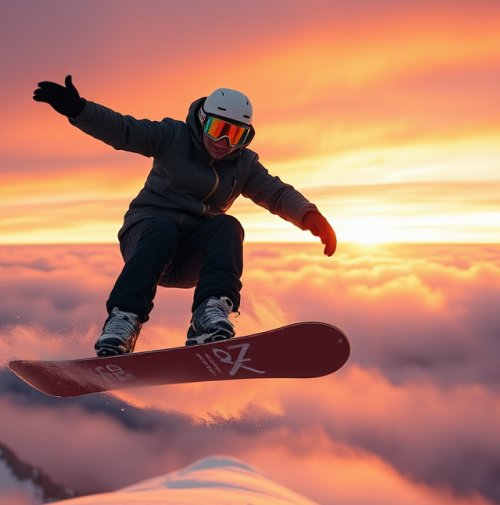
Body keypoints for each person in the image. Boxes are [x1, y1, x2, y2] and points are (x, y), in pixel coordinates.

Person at [33, 76, 337, 356]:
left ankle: (209, 316)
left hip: (191, 256)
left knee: (227, 225)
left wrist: (309, 216)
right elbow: (124, 130)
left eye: (236, 135)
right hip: (147, 240)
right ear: (202, 121)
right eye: (218, 130)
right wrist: (79, 109)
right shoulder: (172, 136)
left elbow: (277, 193)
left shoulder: (243, 164)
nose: (224, 142)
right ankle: (123, 320)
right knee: (162, 229)